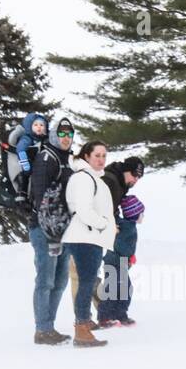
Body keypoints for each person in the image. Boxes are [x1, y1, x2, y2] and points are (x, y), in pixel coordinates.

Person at [61, 141, 115, 348]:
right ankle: (81, 328)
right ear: (86, 156)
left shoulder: (92, 177)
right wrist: (104, 224)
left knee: (87, 280)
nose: (101, 160)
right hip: (84, 237)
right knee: (86, 282)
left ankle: (84, 323)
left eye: (104, 155)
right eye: (97, 155)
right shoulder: (83, 178)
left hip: (89, 236)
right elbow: (83, 210)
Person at [28, 114, 76, 345]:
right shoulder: (46, 158)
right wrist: (52, 233)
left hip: (63, 229)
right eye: (62, 133)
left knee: (60, 281)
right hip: (45, 229)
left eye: (70, 134)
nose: (66, 137)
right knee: (46, 280)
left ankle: (49, 327)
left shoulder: (66, 158)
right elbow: (41, 199)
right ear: (54, 134)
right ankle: (42, 329)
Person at [97, 156, 145, 327]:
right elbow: (103, 206)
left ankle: (120, 314)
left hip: (120, 261)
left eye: (139, 177)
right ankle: (105, 316)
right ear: (126, 171)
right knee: (112, 288)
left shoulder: (121, 184)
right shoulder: (111, 181)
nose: (136, 180)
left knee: (123, 287)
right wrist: (112, 224)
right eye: (135, 175)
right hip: (114, 260)